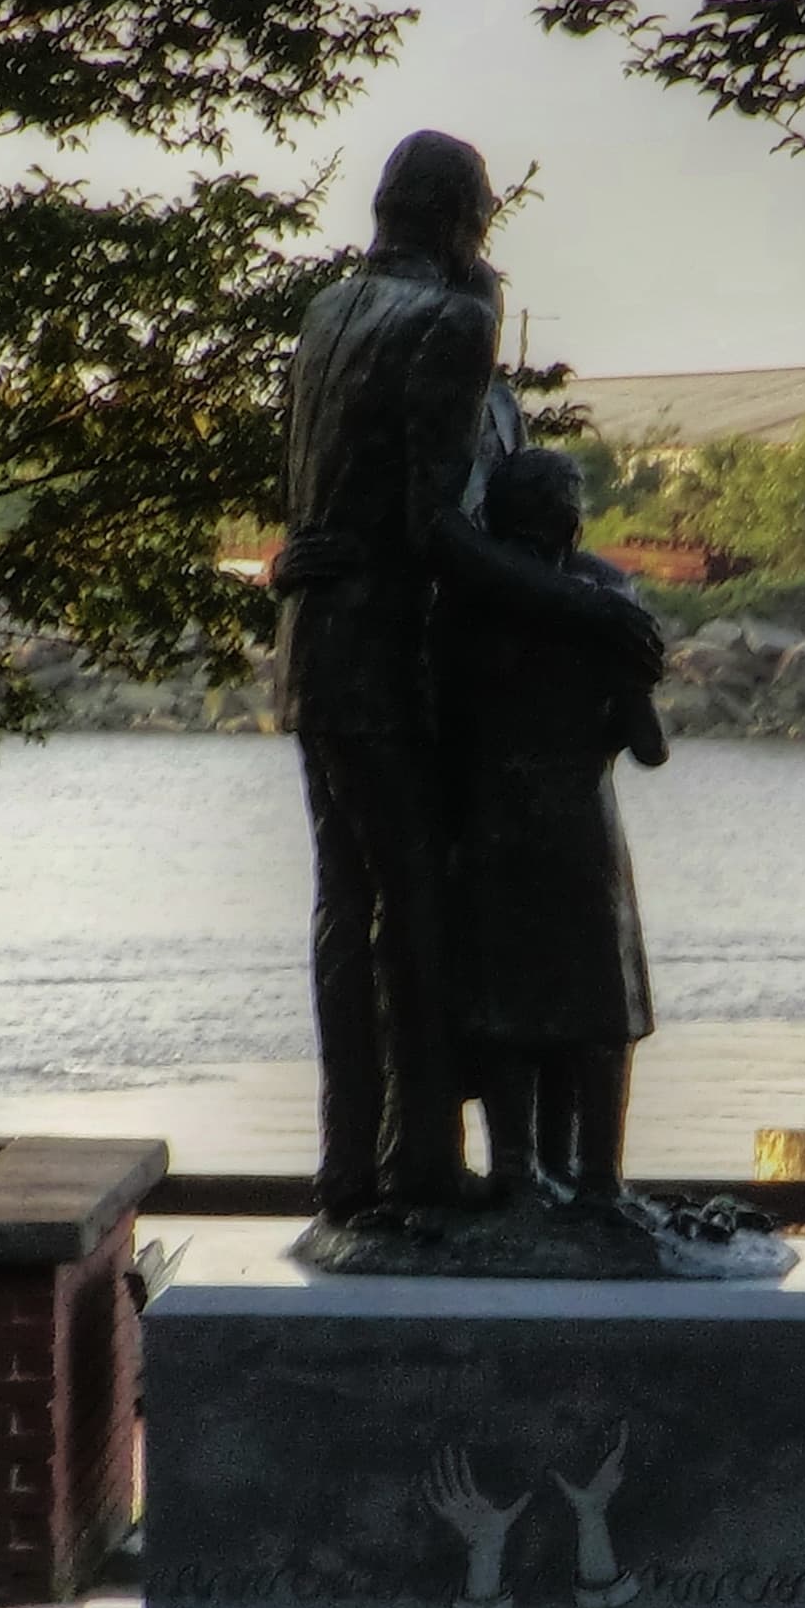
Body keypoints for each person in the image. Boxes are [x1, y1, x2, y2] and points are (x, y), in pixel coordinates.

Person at [270, 132, 665, 1223]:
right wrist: (586, 602)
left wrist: (292, 561)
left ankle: (353, 1170)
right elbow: (434, 529)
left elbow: (329, 491)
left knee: (347, 906)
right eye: (482, 221)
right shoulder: (452, 319)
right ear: (458, 221)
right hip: (389, 651)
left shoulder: (326, 313)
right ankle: (424, 1177)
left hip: (313, 649)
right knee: (423, 905)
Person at [437, 449, 668, 1201]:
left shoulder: (466, 603)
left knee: (508, 1002)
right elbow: (649, 745)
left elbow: (439, 724)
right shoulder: (606, 595)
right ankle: (596, 1176)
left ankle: (515, 1172)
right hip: (581, 824)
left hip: (489, 821)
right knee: (601, 1009)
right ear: (569, 518)